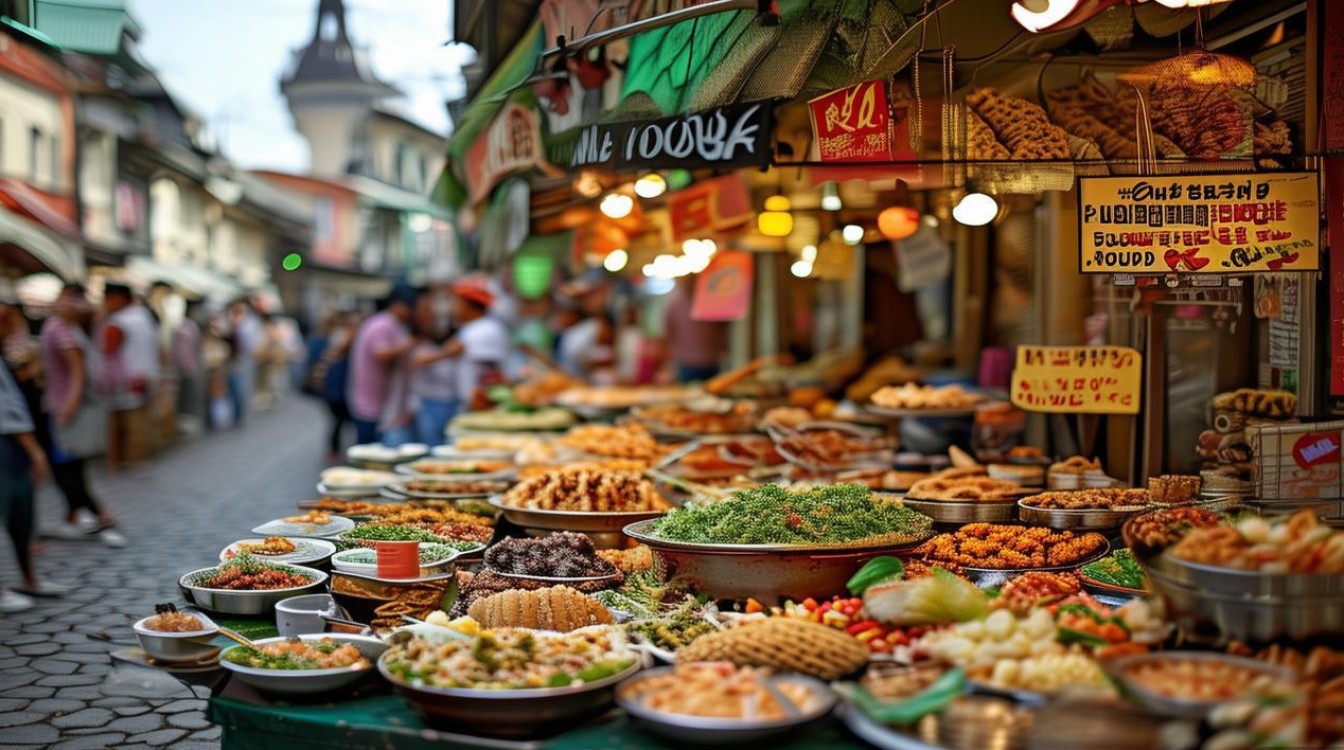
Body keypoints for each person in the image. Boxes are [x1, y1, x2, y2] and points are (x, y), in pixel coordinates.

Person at [40, 284, 124, 547]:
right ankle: (75, 517)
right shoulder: (72, 328)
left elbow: (78, 371)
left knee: (66, 469)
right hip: (64, 403)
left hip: (63, 406)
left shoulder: (63, 329)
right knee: (72, 467)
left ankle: (101, 515)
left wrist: (68, 407)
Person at [1, 327, 71, 611]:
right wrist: (34, 449)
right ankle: (20, 582)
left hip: (13, 441)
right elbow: (5, 409)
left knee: (20, 511)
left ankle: (28, 578)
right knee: (17, 508)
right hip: (9, 442)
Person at [347, 287, 420, 445]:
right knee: (370, 449)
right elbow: (382, 355)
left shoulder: (388, 323)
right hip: (370, 404)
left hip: (377, 402)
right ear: (397, 305)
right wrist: (410, 343)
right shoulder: (383, 324)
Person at [101, 283, 159, 469]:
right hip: (146, 375)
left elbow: (106, 350)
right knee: (139, 425)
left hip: (125, 381)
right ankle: (138, 461)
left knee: (122, 426)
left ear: (118, 298)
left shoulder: (117, 322)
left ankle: (120, 463)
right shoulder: (143, 315)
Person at [443, 278, 510, 412]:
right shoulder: (472, 327)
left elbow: (490, 374)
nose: (453, 307)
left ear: (469, 305)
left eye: (456, 302)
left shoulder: (486, 328)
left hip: (483, 406)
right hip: (470, 403)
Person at [662, 274, 728, 383]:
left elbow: (722, 326)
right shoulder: (674, 302)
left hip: (711, 360)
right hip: (687, 362)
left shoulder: (711, 299)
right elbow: (669, 332)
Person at [226, 297, 263, 425]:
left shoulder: (251, 323)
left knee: (243, 388)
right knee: (234, 388)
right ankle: (236, 414)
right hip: (232, 361)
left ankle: (242, 414)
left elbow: (256, 343)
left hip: (245, 360)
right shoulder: (230, 321)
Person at [173, 299, 205, 433]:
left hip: (190, 367)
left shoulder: (189, 326)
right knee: (189, 398)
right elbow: (184, 352)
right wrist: (190, 367)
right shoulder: (186, 328)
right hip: (188, 369)